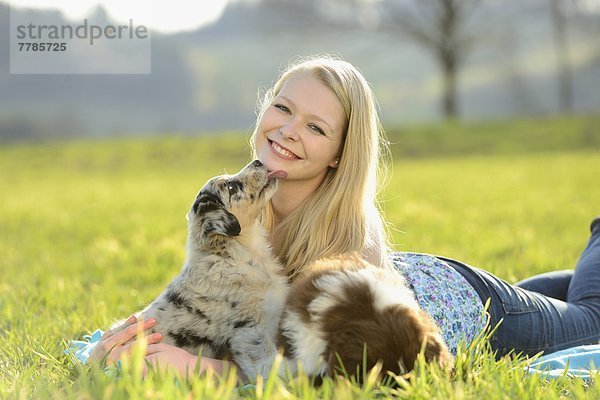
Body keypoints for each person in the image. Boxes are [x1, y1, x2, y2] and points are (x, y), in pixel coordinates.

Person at [80, 55, 600, 377]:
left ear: (338, 154)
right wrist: (126, 343)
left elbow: (335, 373)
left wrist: (209, 374)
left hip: (468, 309)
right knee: (574, 293)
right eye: (283, 109)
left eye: (315, 127)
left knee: (592, 320)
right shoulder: (242, 203)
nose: (287, 131)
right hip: (416, 275)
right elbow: (201, 308)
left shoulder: (354, 232)